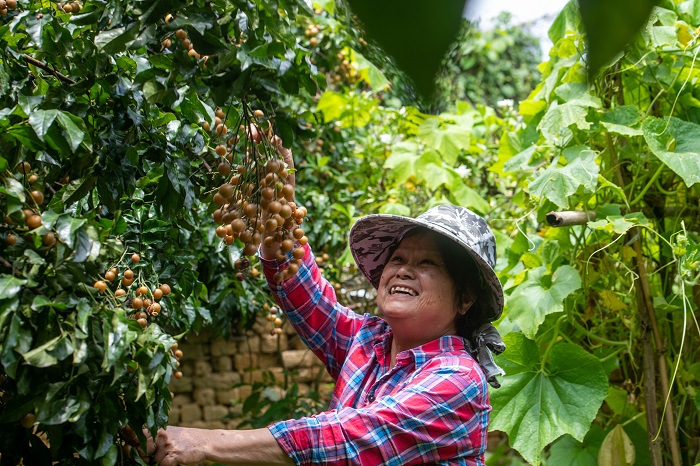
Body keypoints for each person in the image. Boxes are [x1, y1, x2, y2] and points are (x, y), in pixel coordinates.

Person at [142, 149, 505, 466]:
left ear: (465, 298)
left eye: (429, 264)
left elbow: (351, 438)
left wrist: (204, 443)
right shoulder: (370, 342)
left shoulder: (458, 381)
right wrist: (276, 208)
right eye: (398, 258)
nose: (404, 270)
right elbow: (310, 301)